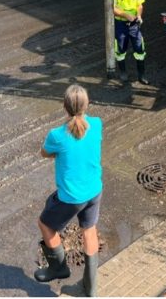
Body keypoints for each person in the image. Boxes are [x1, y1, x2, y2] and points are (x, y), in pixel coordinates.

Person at [35, 84, 103, 297]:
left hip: (71, 197)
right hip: (94, 191)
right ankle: (89, 290)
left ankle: (59, 268)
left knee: (45, 224)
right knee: (89, 231)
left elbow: (44, 153)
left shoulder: (56, 135)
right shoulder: (97, 124)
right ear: (87, 104)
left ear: (64, 107)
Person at [112, 0, 149, 84]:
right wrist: (125, 15)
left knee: (139, 48)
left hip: (134, 24)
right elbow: (112, 9)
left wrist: (138, 15)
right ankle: (123, 73)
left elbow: (140, 5)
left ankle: (141, 76)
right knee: (120, 49)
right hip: (121, 24)